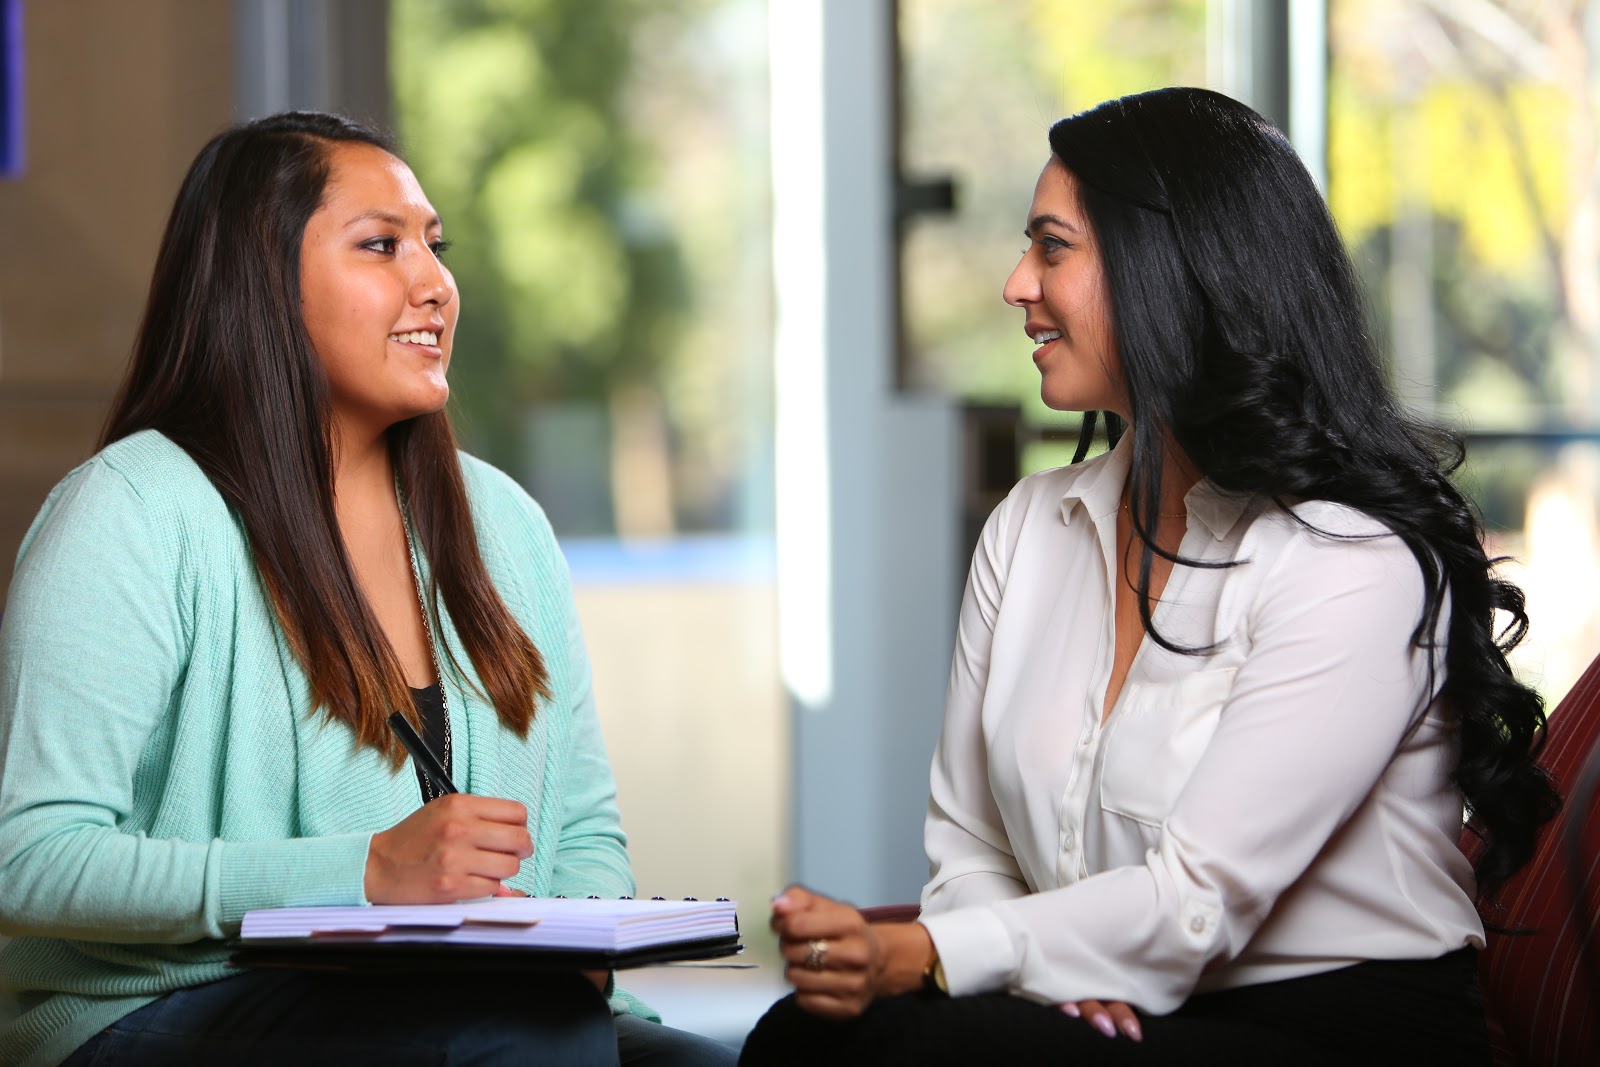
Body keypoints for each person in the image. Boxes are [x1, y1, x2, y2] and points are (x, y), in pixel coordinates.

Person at [740, 87, 1560, 1066]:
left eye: (1051, 248)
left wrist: (931, 953)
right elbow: (970, 845)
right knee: (808, 1036)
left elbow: (1196, 898)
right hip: (1113, 1008)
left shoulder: (1351, 561)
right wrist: (1042, 975)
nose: (1015, 284)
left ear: (1168, 272)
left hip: (1330, 1026)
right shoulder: (1027, 528)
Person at [0, 111, 736, 1067]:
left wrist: (579, 945)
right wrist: (363, 871)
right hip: (165, 1008)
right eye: (381, 246)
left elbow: (586, 827)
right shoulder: (131, 511)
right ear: (264, 283)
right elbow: (28, 857)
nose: (434, 284)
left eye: (435, 246)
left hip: (478, 1004)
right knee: (509, 1039)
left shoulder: (503, 522)